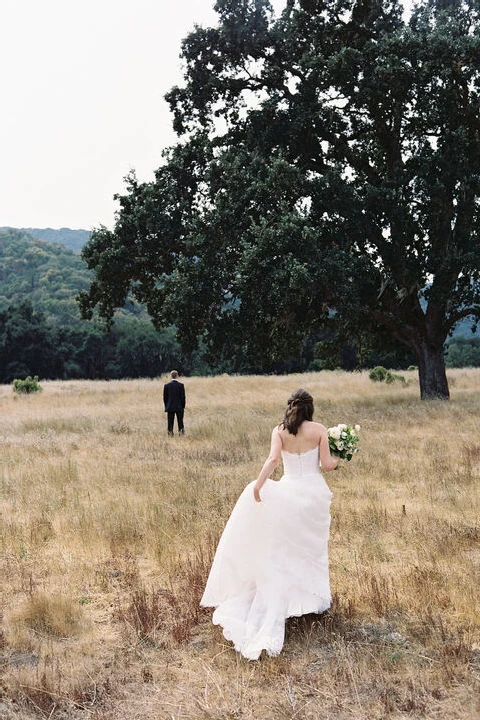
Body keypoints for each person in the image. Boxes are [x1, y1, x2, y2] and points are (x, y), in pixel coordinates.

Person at [200, 388, 339, 660]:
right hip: (311, 497)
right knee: (309, 552)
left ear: (290, 407)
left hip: (288, 493)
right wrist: (341, 457)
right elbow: (327, 465)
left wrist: (258, 486)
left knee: (284, 551)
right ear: (310, 408)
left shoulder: (279, 431)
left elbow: (273, 460)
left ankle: (288, 601)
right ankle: (310, 602)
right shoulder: (320, 429)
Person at [163, 370, 186, 436]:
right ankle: (181, 434)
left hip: (170, 406)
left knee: (170, 422)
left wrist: (166, 406)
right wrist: (183, 406)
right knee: (180, 422)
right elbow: (183, 397)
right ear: (177, 376)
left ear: (171, 376)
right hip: (179, 407)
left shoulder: (166, 386)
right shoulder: (181, 385)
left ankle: (170, 434)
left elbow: (165, 398)